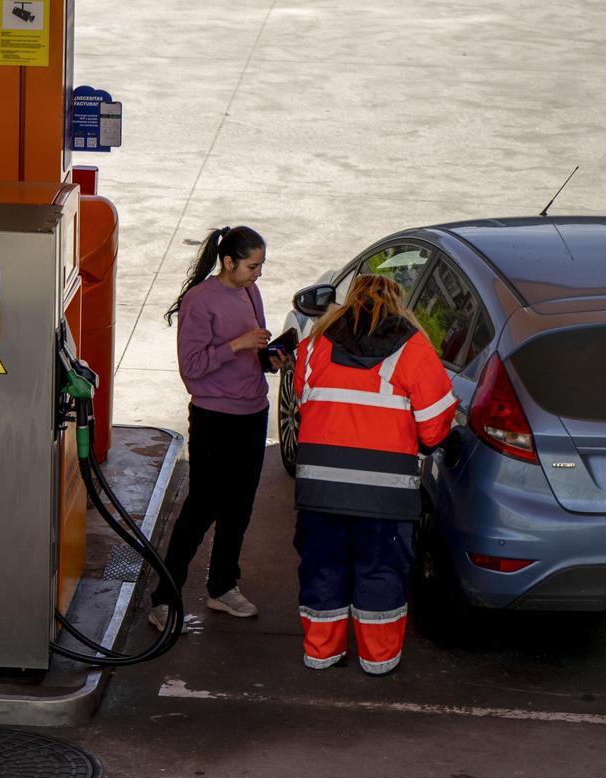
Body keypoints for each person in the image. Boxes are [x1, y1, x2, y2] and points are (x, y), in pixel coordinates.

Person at [292, 274, 456, 675]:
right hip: (385, 495)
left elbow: (302, 400)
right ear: (398, 305)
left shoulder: (314, 344)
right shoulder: (414, 350)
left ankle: (321, 653)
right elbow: (435, 427)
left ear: (349, 303)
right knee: (381, 570)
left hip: (320, 489)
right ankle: (378, 659)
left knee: (322, 566)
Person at [149, 226, 289, 631]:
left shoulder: (250, 293)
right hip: (214, 418)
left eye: (260, 266)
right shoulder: (199, 302)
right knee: (201, 507)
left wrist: (270, 359)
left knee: (240, 506)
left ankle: (223, 585)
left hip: (252, 411)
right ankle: (163, 598)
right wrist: (238, 345)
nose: (257, 274)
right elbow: (190, 369)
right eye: (252, 266)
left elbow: (255, 353)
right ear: (228, 262)